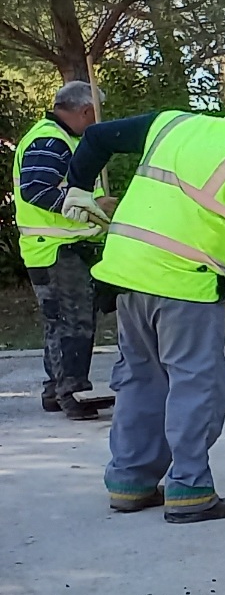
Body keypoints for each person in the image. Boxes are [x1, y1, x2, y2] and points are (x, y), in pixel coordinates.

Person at [65, 90, 225, 523]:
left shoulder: (172, 123)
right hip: (186, 286)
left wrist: (78, 188)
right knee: (196, 387)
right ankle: (190, 490)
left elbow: (97, 137)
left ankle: (130, 483)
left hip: (128, 275)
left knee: (141, 381)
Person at [13, 81, 110, 420]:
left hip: (48, 248)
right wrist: (91, 206)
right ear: (85, 110)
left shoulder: (54, 136)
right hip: (57, 248)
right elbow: (36, 190)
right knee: (74, 321)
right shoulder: (50, 141)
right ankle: (72, 393)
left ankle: (56, 389)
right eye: (95, 114)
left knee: (59, 322)